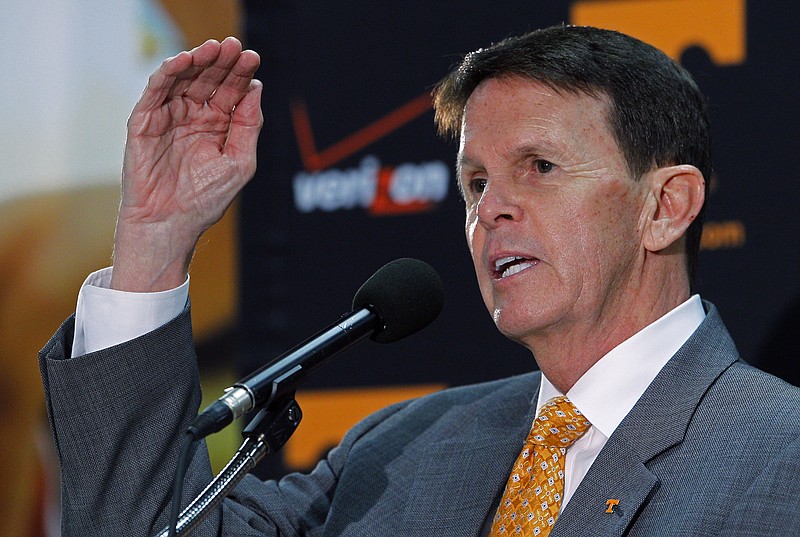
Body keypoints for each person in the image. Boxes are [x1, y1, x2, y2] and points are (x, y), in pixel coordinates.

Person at [39, 27, 800, 537]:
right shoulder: (400, 448)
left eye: (539, 168)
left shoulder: (779, 452)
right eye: (474, 183)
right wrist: (154, 239)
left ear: (665, 207)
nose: (491, 209)